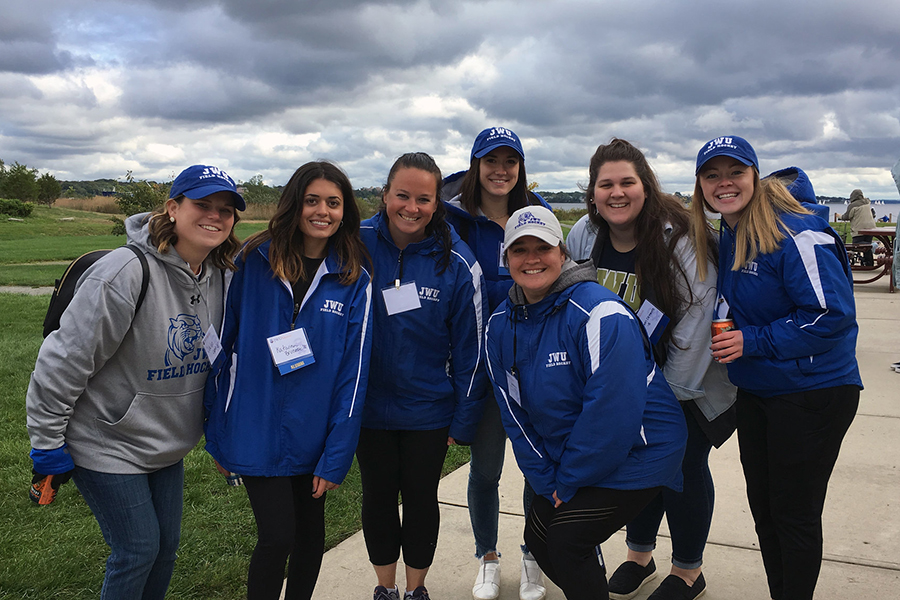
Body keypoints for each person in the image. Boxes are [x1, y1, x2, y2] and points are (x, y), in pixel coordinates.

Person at [26, 165, 244, 599]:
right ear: (173, 208)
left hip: (166, 443)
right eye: (202, 205)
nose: (215, 216)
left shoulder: (222, 274)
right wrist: (47, 443)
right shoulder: (125, 271)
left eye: (226, 210)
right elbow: (63, 361)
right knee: (138, 549)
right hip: (106, 440)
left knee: (164, 551)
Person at [485, 205, 687, 600]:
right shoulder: (499, 325)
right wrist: (546, 479)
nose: (531, 259)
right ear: (505, 258)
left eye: (542, 248)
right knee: (539, 535)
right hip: (576, 459)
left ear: (562, 253)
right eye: (519, 250)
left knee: (568, 538)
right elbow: (514, 414)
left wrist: (570, 479)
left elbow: (611, 412)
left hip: (643, 449)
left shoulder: (599, 312)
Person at [692, 135, 861, 600]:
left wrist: (753, 339)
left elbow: (832, 315)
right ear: (701, 185)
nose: (724, 183)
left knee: (795, 513)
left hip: (813, 392)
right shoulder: (730, 229)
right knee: (764, 509)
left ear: (755, 176)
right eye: (712, 175)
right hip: (760, 390)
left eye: (735, 172)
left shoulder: (796, 232)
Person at [204, 161, 373, 600]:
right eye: (312, 200)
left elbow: (353, 374)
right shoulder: (251, 261)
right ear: (294, 205)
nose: (323, 211)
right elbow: (221, 353)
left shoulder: (353, 277)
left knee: (310, 539)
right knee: (278, 535)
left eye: (333, 203)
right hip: (253, 427)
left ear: (345, 210)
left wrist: (336, 454)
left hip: (313, 436)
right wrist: (217, 434)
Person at [582, 139, 736, 600]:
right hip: (621, 383)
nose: (617, 192)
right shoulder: (585, 238)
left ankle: (689, 569)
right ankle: (639, 555)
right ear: (592, 192)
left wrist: (661, 397)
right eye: (605, 184)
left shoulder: (684, 238)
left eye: (627, 181)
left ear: (645, 186)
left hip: (684, 382)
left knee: (682, 468)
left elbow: (696, 322)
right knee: (635, 467)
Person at [358, 152, 487, 600]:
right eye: (402, 196)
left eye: (424, 199)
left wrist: (464, 418)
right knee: (376, 498)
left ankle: (416, 590)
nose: (411, 207)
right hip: (367, 406)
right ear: (385, 195)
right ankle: (385, 588)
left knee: (419, 498)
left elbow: (472, 349)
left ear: (437, 203)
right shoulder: (353, 243)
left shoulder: (457, 262)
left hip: (428, 410)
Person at [442, 127, 550, 600]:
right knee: (485, 470)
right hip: (478, 370)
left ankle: (533, 554)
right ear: (475, 166)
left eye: (510, 161)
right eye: (491, 161)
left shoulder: (537, 214)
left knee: (535, 470)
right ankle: (487, 554)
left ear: (520, 167)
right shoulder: (451, 220)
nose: (501, 170)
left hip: (529, 367)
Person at [839, 188, 877, 265]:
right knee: (867, 244)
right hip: (871, 228)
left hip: (859, 229)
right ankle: (869, 262)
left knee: (857, 244)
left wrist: (839, 217)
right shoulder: (867, 202)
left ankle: (871, 250)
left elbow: (847, 216)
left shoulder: (852, 205)